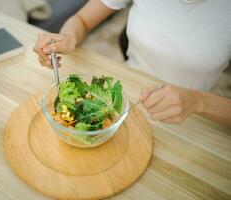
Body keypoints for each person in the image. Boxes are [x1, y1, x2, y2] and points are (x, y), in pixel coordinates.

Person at [33, 0, 231, 126]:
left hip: (193, 118)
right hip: (125, 96)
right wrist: (68, 37)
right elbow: (82, 20)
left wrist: (199, 102)